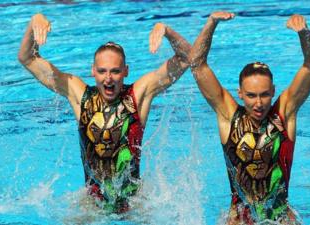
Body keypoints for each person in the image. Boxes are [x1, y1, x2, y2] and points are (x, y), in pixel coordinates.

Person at [18, 13, 191, 213]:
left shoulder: (138, 96)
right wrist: (34, 22)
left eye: (115, 71)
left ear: (126, 71)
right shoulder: (80, 95)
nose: (108, 78)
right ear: (93, 71)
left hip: (134, 207)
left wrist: (167, 31)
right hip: (92, 206)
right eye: (102, 71)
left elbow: (187, 58)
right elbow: (27, 58)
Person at [189, 12, 310, 224]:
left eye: (264, 95)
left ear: (273, 91)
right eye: (251, 96)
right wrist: (211, 23)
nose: (258, 103)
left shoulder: (285, 113)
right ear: (240, 93)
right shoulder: (228, 115)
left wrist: (304, 33)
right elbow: (196, 64)